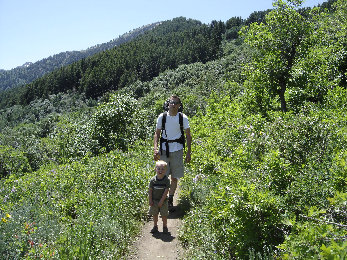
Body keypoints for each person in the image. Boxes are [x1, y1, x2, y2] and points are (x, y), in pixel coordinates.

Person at [153, 95, 192, 210]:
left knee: (174, 178)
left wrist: (189, 152)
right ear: (168, 104)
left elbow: (188, 136)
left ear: (179, 105)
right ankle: (162, 200)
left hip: (178, 150)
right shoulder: (162, 117)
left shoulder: (183, 118)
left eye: (176, 103)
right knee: (163, 176)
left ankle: (170, 199)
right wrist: (155, 149)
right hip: (164, 150)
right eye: (171, 102)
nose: (173, 105)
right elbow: (157, 134)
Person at [148, 160, 171, 234]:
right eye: (158, 169)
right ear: (155, 169)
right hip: (154, 200)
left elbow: (166, 191)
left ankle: (165, 227)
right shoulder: (153, 180)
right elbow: (150, 191)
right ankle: (155, 226)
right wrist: (150, 200)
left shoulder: (166, 180)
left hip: (163, 201)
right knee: (155, 214)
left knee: (164, 214)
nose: (160, 171)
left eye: (162, 169)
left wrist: (161, 201)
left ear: (165, 170)